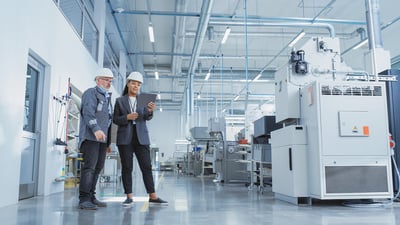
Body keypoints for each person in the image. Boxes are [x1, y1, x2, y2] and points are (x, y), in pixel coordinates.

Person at [113, 71, 167, 206]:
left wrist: (150, 111)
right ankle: (129, 197)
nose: (136, 86)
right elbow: (115, 119)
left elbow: (147, 117)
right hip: (125, 139)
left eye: (138, 84)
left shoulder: (143, 100)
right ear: (128, 84)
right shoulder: (120, 101)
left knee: (146, 167)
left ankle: (153, 196)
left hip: (141, 138)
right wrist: (127, 117)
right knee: (127, 168)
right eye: (133, 83)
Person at [78, 68, 114, 210]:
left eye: (110, 81)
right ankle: (84, 199)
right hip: (90, 137)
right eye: (106, 80)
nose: (108, 83)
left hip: (102, 141)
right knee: (89, 168)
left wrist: (108, 142)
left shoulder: (107, 97)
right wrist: (96, 129)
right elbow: (88, 113)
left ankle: (92, 197)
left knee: (98, 168)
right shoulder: (90, 93)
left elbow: (108, 121)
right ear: (98, 80)